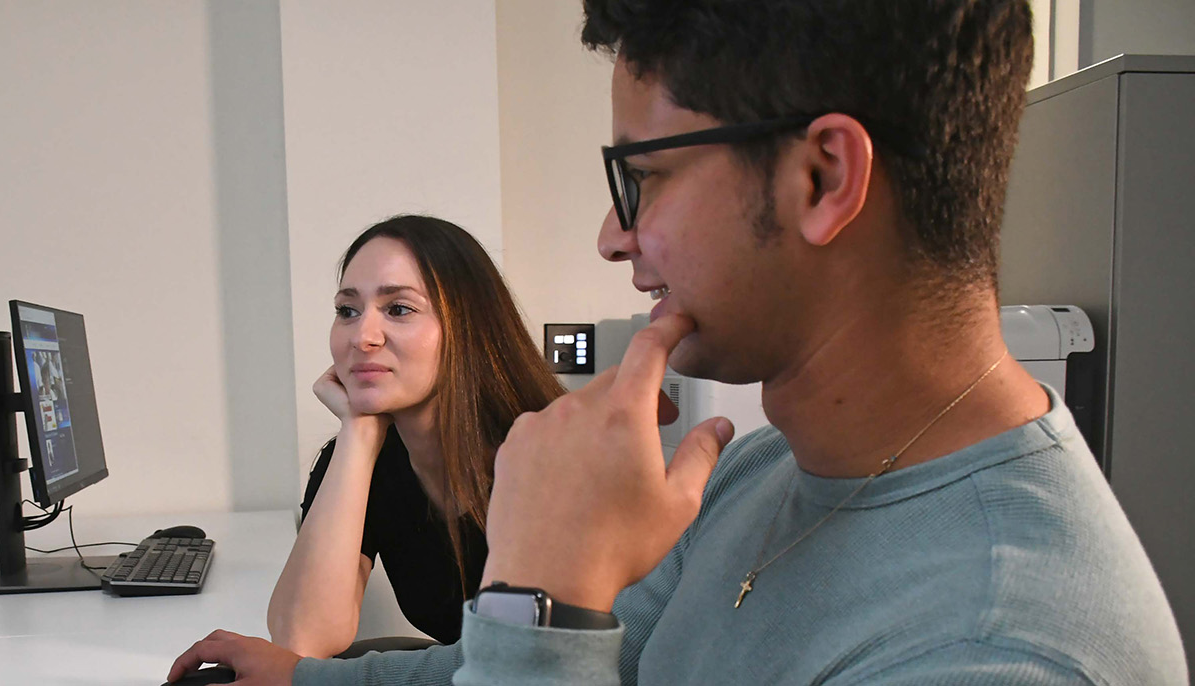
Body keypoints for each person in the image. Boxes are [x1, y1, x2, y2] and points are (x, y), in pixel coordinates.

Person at [166, 1, 1187, 684]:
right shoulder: (757, 472)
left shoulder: (1001, 645)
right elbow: (607, 654)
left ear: (822, 179)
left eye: (640, 179)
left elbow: (558, 651)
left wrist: (541, 602)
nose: (612, 237)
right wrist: (309, 676)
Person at [265, 215, 564, 659]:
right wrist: (357, 434)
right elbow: (302, 639)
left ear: (469, 326)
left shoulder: (549, 455)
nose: (362, 337)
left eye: (399, 309)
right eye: (348, 311)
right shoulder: (362, 460)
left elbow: (534, 662)